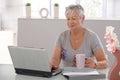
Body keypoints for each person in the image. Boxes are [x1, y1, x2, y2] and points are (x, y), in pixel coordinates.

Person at [50, 4, 108, 70]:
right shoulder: (62, 36)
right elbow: (55, 60)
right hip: (66, 76)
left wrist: (95, 64)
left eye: (73, 18)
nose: (70, 22)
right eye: (68, 19)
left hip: (86, 76)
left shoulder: (92, 37)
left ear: (82, 18)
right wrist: (51, 65)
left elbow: (104, 62)